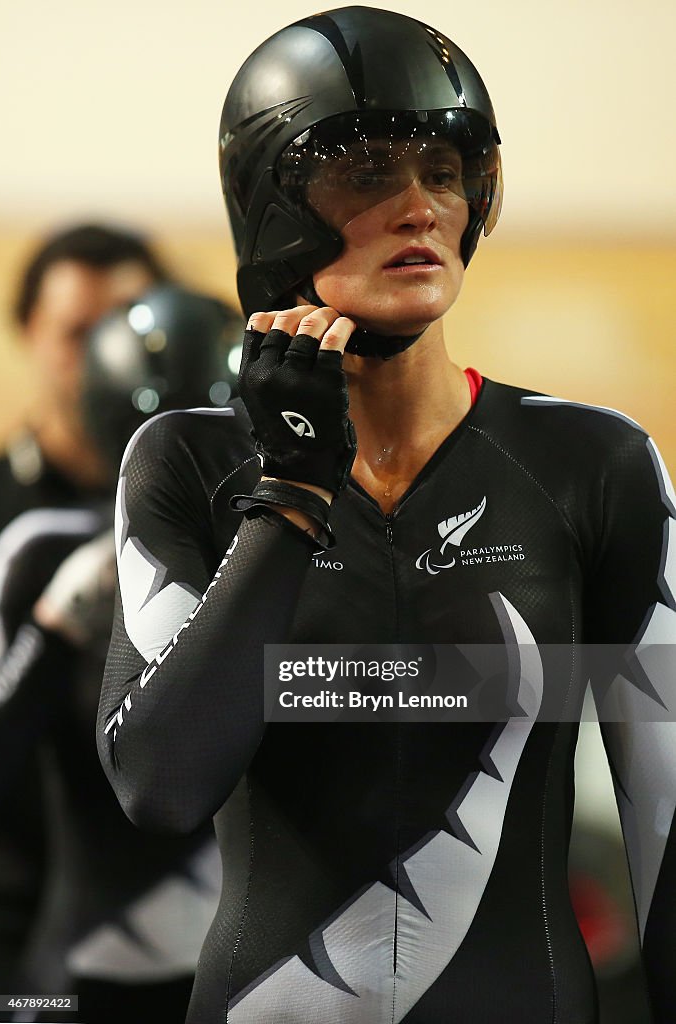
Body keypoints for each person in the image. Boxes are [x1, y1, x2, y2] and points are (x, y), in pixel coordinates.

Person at [97, 8, 676, 1023]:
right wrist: (290, 492)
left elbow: (663, 812)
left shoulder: (596, 462)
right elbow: (160, 785)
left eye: (443, 172)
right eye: (365, 174)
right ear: (274, 210)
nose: (417, 205)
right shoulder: (190, 460)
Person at [0, 283, 242, 1022]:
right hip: (84, 972)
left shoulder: (296, 560)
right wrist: (52, 631)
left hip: (257, 973)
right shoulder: (45, 556)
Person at [0, 222, 169, 995]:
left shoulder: (208, 511)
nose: (104, 355)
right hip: (20, 927)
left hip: (181, 930)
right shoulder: (7, 519)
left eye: (125, 328)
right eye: (76, 332)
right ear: (27, 334)